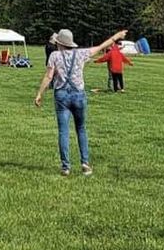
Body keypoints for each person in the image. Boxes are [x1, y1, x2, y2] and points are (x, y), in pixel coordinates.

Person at [34, 28, 127, 176]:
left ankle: (66, 167)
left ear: (59, 43)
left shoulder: (54, 55)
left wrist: (40, 94)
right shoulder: (81, 53)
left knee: (63, 131)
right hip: (78, 95)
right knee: (81, 129)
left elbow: (48, 76)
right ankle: (85, 163)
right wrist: (117, 36)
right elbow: (103, 45)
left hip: (61, 95)